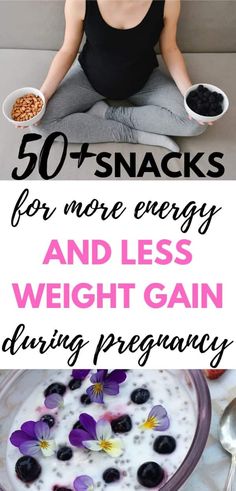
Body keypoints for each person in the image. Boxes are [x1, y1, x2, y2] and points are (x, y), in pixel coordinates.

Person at [37, 0, 207, 150]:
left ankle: (108, 113)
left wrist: (189, 94)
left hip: (144, 81)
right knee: (40, 123)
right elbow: (67, 50)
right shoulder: (78, 1)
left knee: (195, 124)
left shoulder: (169, 2)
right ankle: (130, 135)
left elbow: (170, 48)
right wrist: (42, 96)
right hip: (88, 78)